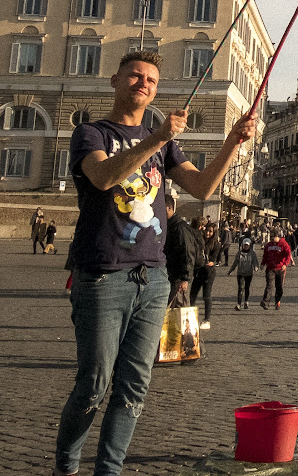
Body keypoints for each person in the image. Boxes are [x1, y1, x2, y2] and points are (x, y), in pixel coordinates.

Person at [52, 51, 256, 476]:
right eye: (135, 76)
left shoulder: (162, 141)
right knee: (93, 385)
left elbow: (201, 186)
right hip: (102, 275)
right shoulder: (92, 134)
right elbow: (105, 178)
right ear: (115, 81)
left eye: (151, 80)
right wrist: (157, 139)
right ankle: (67, 466)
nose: (143, 84)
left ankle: (109, 470)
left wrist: (232, 144)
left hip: (153, 276)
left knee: (133, 387)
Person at [163, 195, 201, 305]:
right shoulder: (169, 225)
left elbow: (188, 253)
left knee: (180, 309)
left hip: (178, 276)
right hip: (171, 274)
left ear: (169, 208)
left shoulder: (180, 228)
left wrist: (185, 278)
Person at [190, 223, 221, 329]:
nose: (208, 233)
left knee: (206, 296)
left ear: (214, 233)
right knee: (192, 295)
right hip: (198, 271)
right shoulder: (200, 241)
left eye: (210, 231)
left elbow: (213, 260)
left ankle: (207, 320)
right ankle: (191, 318)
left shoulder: (216, 244)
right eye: (207, 230)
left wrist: (208, 261)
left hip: (208, 273)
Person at [260, 228, 293, 309]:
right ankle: (265, 302)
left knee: (279, 287)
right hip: (270, 268)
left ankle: (277, 301)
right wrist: (263, 264)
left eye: (273, 237)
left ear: (278, 236)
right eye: (271, 237)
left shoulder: (284, 244)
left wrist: (285, 264)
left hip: (280, 269)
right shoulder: (268, 245)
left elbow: (288, 255)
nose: (272, 239)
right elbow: (265, 255)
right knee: (269, 286)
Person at [228, 237, 259, 309]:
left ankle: (246, 301)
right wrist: (231, 270)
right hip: (240, 273)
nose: (246, 246)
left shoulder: (252, 253)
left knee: (247, 287)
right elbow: (235, 263)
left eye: (247, 245)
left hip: (249, 273)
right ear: (242, 245)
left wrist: (256, 267)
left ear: (250, 245)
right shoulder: (239, 253)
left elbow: (255, 262)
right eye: (245, 245)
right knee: (240, 288)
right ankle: (238, 304)